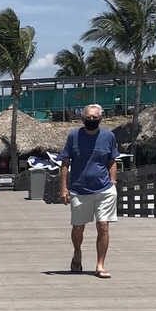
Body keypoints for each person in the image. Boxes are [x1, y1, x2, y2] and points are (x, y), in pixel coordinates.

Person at [60, 104, 119, 278]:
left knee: (103, 225)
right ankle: (77, 252)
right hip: (79, 189)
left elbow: (112, 160)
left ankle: (100, 265)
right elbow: (65, 162)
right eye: (88, 117)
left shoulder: (109, 136)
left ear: (101, 118)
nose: (91, 120)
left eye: (95, 117)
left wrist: (113, 181)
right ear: (82, 118)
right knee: (78, 227)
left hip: (104, 189)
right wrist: (64, 187)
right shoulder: (74, 136)